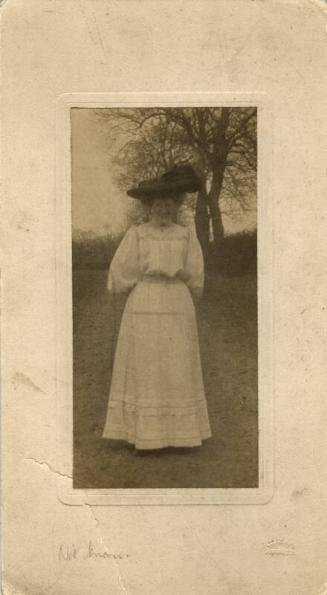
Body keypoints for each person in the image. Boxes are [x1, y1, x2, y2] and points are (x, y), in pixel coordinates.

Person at [102, 165, 211, 449]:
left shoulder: (186, 236)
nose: (163, 208)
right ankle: (145, 435)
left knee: (177, 362)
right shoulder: (137, 234)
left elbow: (195, 274)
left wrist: (179, 286)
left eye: (169, 203)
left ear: (176, 206)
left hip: (176, 301)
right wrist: (130, 285)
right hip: (145, 300)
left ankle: (182, 435)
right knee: (146, 364)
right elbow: (120, 272)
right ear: (148, 206)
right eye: (157, 203)